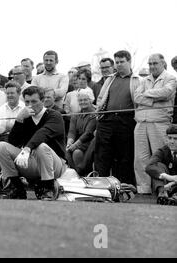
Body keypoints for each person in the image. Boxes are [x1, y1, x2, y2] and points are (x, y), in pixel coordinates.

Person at [0, 86, 67, 200]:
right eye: (27, 102)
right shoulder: (25, 118)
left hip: (55, 165)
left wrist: (27, 149)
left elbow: (43, 134)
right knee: (0, 146)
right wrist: (18, 120)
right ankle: (17, 189)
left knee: (41, 146)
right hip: (32, 162)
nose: (30, 105)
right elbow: (13, 142)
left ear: (43, 101)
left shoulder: (55, 115)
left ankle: (48, 188)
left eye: (34, 101)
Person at [94, 50, 140, 186]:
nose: (119, 65)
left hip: (126, 120)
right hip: (107, 120)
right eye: (117, 62)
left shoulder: (137, 80)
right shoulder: (110, 78)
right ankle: (99, 185)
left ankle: (123, 186)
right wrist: (99, 113)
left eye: (122, 62)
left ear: (129, 62)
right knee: (102, 154)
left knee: (124, 156)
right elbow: (101, 98)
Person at [133, 53, 176, 194]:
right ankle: (143, 189)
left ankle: (163, 189)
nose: (152, 66)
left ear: (163, 64)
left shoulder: (170, 78)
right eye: (150, 64)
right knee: (140, 158)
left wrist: (147, 94)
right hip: (141, 122)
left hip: (159, 122)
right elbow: (136, 96)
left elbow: (167, 93)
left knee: (160, 158)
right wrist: (153, 99)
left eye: (155, 63)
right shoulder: (144, 80)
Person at [145, 124, 177, 204]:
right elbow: (149, 166)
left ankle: (174, 197)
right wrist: (168, 177)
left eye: (175, 139)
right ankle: (162, 194)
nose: (172, 142)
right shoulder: (163, 150)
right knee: (158, 166)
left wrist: (173, 182)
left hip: (173, 185)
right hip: (166, 186)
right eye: (170, 138)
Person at [65, 91, 96, 170]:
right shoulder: (76, 115)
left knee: (77, 152)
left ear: (91, 100)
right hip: (78, 141)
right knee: (66, 150)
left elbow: (88, 133)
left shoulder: (94, 114)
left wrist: (75, 145)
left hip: (90, 141)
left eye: (85, 100)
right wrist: (69, 142)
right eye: (80, 100)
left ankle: (81, 173)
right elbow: (72, 131)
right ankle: (75, 172)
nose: (83, 102)